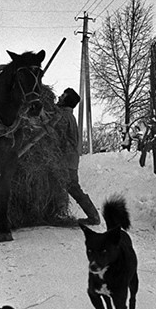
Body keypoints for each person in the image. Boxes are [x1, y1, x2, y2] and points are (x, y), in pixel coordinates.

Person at [54, 88, 101, 225]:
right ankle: (93, 216)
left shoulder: (63, 116)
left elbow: (58, 136)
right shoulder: (67, 115)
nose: (59, 97)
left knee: (69, 186)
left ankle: (93, 217)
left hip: (66, 158)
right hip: (70, 158)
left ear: (67, 101)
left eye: (63, 96)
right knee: (70, 186)